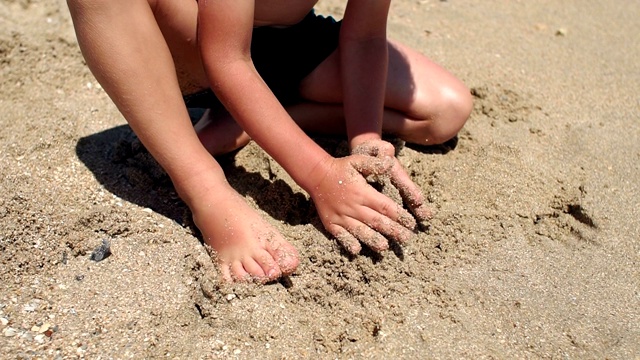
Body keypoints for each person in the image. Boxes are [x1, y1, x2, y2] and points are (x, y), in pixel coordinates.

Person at [66, 0, 473, 283]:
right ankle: (204, 188)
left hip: (285, 40)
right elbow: (226, 57)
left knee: (445, 111)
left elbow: (364, 38)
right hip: (192, 42)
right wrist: (319, 173)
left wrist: (365, 138)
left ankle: (255, 118)